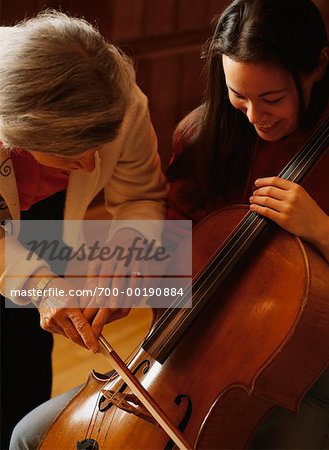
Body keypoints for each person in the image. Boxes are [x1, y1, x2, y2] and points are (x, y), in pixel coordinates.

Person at [0, 10, 166, 450]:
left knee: (23, 361)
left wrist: (129, 253)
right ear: (17, 133)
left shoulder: (119, 98)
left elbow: (140, 196)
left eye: (99, 147)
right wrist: (35, 281)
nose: (92, 167)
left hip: (46, 221)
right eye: (74, 155)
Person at [166, 0, 329, 448]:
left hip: (307, 367)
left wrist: (320, 228)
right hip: (194, 348)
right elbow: (169, 257)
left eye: (272, 98)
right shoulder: (200, 136)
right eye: (239, 97)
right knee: (28, 434)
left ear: (317, 66)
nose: (255, 117)